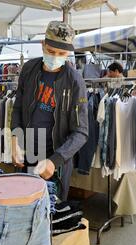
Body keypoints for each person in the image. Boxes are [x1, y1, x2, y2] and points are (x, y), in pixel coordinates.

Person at [11, 21, 89, 202]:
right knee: (23, 206)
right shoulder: (29, 69)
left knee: (50, 212)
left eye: (62, 54)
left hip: (55, 160)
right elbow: (17, 108)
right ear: (43, 45)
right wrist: (15, 140)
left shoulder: (75, 82)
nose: (55, 58)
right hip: (27, 154)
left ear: (69, 52)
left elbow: (81, 131)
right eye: (51, 52)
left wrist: (55, 160)